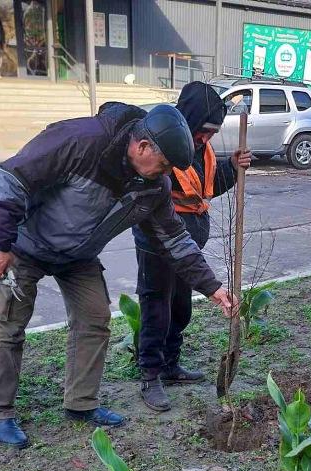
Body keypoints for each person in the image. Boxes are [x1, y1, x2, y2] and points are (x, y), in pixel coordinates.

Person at [0, 103, 235, 448]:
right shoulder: (82, 140)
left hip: (78, 256)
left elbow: (174, 239)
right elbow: (13, 176)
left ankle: (81, 404)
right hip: (24, 244)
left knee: (95, 318)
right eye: (163, 164)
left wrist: (213, 287)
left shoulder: (152, 185)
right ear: (142, 146)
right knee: (6, 325)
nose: (166, 174)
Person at [131, 83, 251, 411]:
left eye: (212, 133)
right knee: (156, 306)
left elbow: (205, 189)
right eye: (203, 132)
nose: (205, 139)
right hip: (158, 242)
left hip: (188, 248)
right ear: (190, 120)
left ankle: (170, 364)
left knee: (180, 307)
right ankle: (150, 375)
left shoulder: (203, 150)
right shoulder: (165, 146)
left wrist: (233, 167)